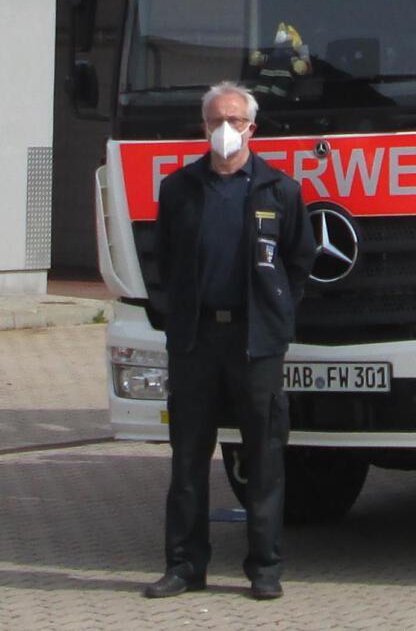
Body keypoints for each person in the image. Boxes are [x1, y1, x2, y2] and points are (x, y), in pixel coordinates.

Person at [143, 82, 315, 603]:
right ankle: (184, 566)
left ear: (251, 128)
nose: (225, 129)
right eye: (216, 120)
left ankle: (265, 568)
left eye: (234, 120)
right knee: (187, 460)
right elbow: (162, 259)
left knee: (264, 459)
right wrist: (175, 316)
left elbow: (298, 261)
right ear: (203, 127)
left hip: (254, 342)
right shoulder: (179, 189)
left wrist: (276, 313)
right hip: (195, 341)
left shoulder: (279, 190)